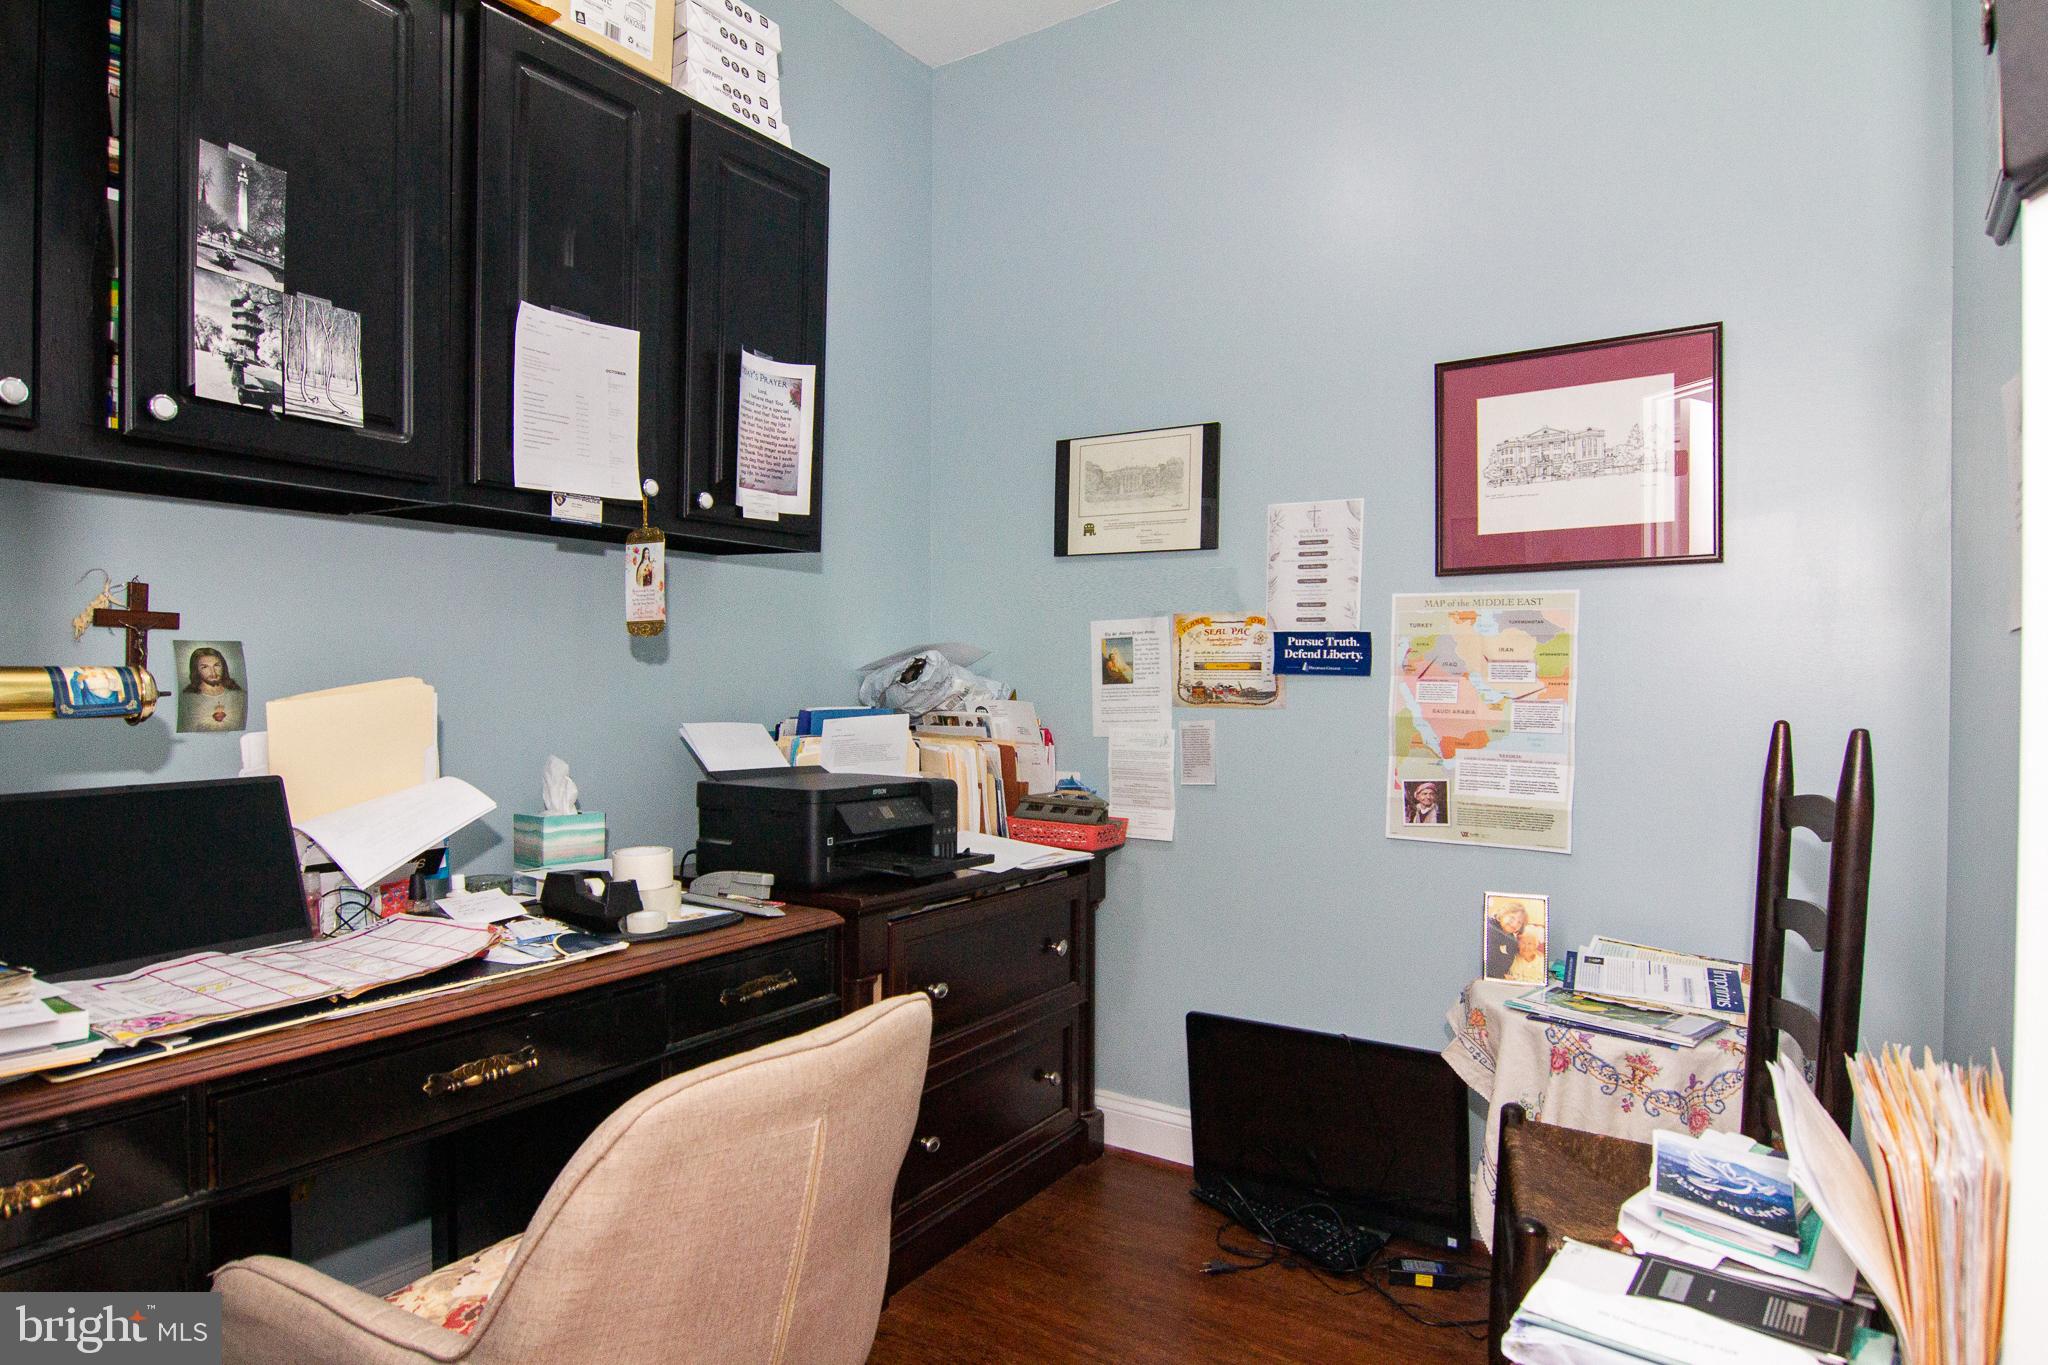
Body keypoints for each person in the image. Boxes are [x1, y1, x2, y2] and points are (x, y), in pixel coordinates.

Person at [178, 646, 246, 733]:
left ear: (223, 667)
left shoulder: (240, 696)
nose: (213, 672)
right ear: (196, 670)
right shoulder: (186, 699)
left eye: (216, 665)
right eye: (205, 667)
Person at [1485, 903, 1526, 979]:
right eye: (1512, 918)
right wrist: (1502, 977)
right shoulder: (1488, 928)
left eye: (1519, 922)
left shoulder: (1512, 940)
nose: (1514, 924)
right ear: (1503, 914)